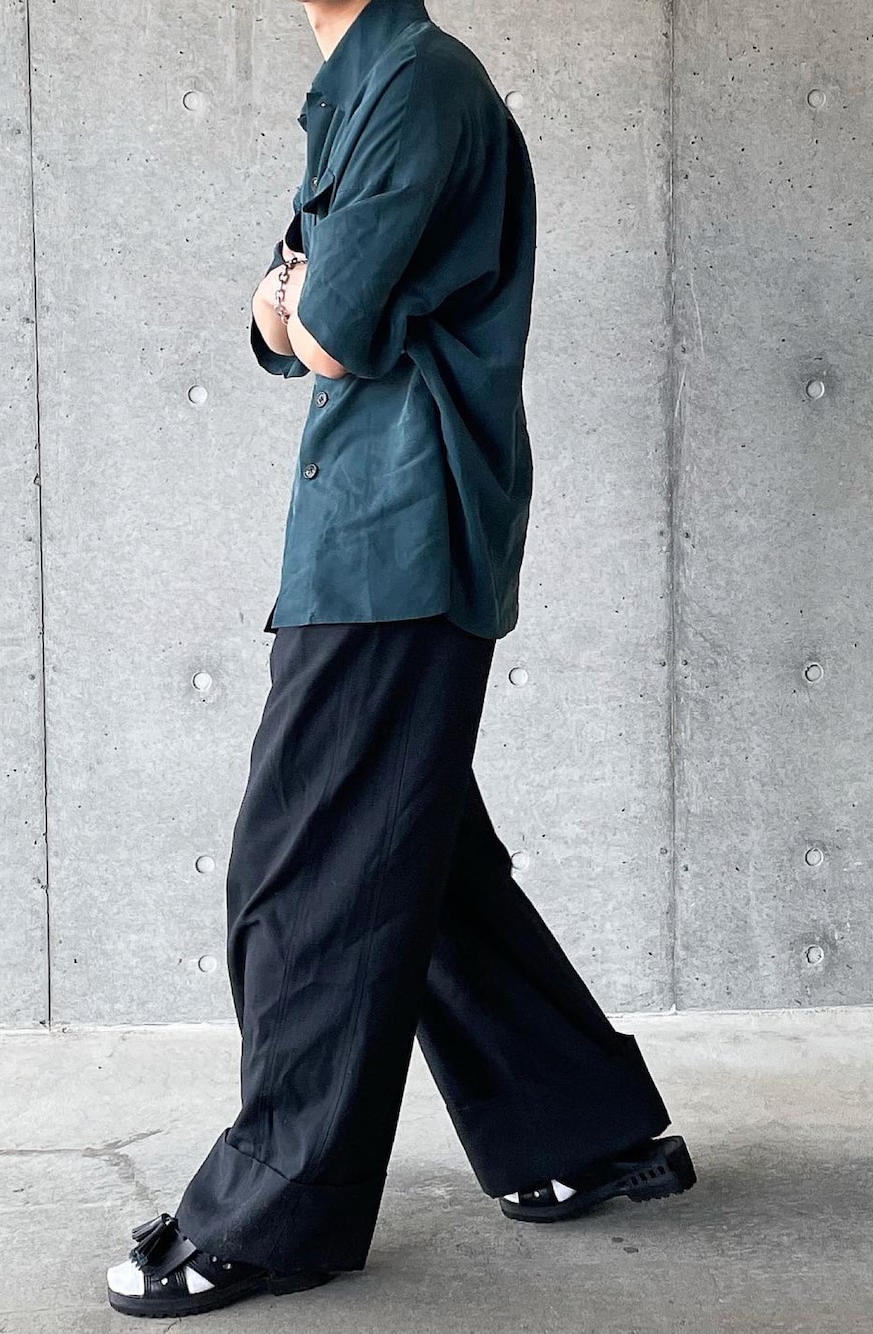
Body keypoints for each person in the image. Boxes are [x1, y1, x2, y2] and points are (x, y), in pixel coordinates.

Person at [106, 0, 696, 1318]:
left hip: (400, 529)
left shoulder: (419, 86)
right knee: (411, 851)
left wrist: (298, 300)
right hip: (374, 522)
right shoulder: (362, 90)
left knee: (307, 866)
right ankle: (582, 1132)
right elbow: (279, 328)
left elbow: (323, 326)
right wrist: (295, 304)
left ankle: (277, 1215)